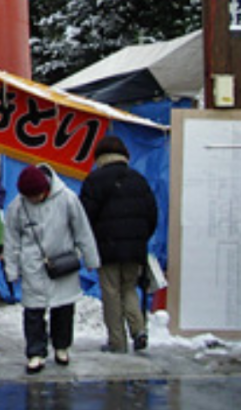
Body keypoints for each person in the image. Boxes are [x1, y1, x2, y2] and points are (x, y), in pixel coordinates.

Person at [3, 164, 100, 374]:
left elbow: (82, 230)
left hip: (62, 263)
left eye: (35, 195)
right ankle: (35, 352)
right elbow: (11, 240)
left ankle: (61, 346)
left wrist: (91, 259)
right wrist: (11, 269)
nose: (33, 200)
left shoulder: (67, 198)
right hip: (33, 266)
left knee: (64, 309)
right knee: (33, 311)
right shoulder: (17, 206)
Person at [78, 135, 158, 353]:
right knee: (129, 288)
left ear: (99, 157)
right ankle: (139, 330)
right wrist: (140, 238)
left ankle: (117, 341)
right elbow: (152, 215)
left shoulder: (95, 180)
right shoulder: (138, 180)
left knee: (111, 292)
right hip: (135, 249)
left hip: (107, 247)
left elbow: (85, 216)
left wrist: (89, 244)